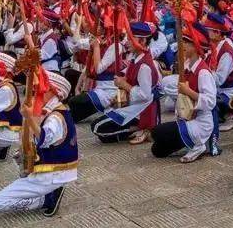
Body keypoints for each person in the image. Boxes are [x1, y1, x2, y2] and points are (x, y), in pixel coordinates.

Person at [0, 70, 76, 217]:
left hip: (52, 174)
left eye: (42, 89)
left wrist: (29, 118)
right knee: (21, 160)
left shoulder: (55, 117)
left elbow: (44, 137)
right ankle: (45, 189)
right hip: (52, 169)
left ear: (55, 92)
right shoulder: (53, 110)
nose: (37, 92)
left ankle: (47, 198)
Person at [150, 23, 218, 162]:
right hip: (187, 117)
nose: (183, 45)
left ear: (196, 46)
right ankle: (191, 142)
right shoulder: (187, 65)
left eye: (187, 42)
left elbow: (210, 102)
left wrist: (188, 91)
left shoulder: (203, 72)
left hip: (201, 122)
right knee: (157, 150)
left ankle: (199, 144)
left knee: (157, 132)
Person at [89, 22, 162, 144]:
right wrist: (121, 84)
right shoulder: (135, 59)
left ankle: (143, 127)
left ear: (142, 41)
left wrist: (125, 85)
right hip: (132, 105)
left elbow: (145, 95)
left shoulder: (144, 66)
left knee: (98, 128)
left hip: (142, 110)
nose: (127, 42)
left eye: (131, 39)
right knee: (100, 131)